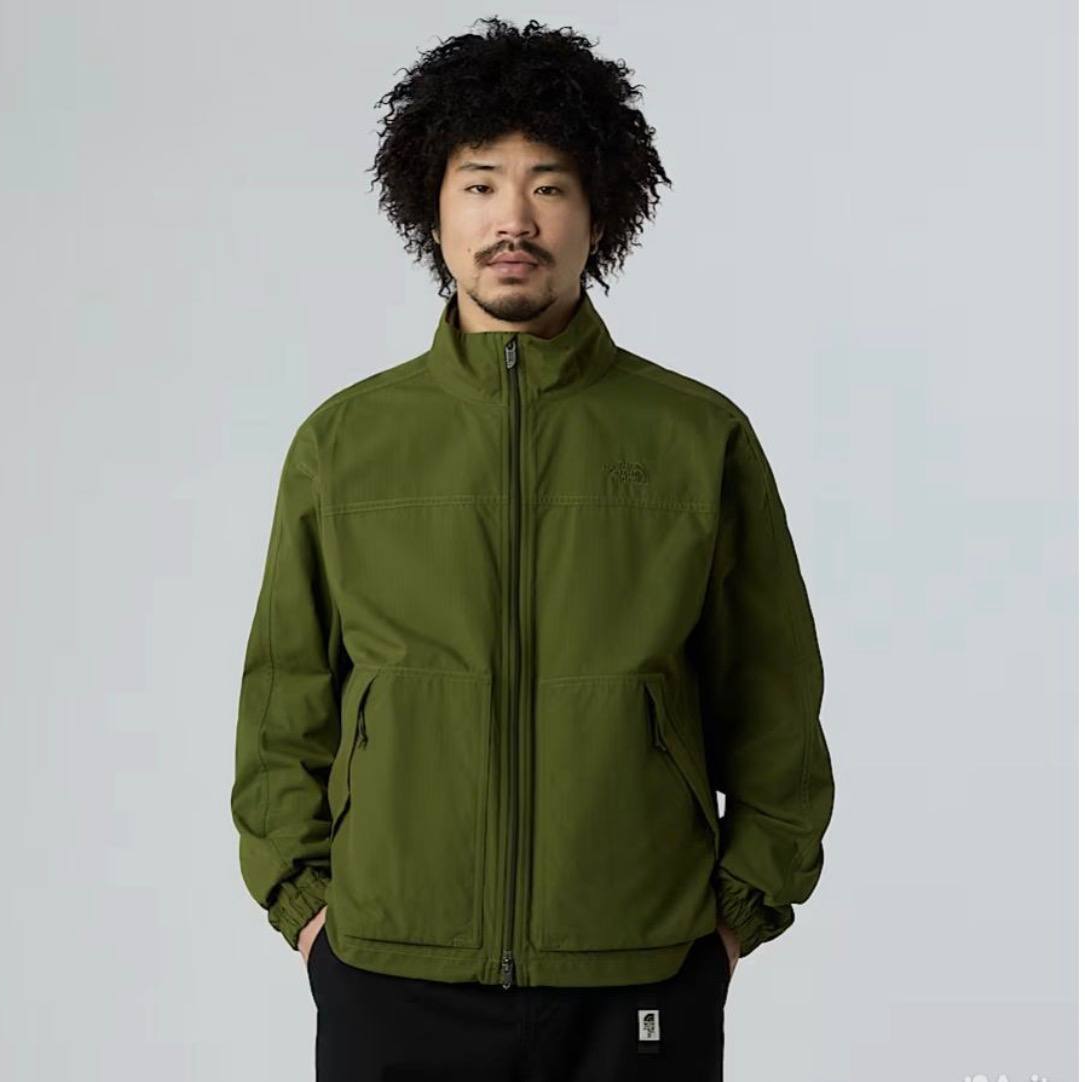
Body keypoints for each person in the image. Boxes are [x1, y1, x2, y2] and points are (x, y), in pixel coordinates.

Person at [230, 16, 835, 1081]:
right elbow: (285, 705)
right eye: (480, 183)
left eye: (549, 185)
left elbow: (773, 701)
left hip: (640, 964)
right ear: (432, 206)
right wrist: (310, 910)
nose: (514, 217)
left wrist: (733, 918)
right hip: (391, 969)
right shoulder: (345, 443)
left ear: (600, 210)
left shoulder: (696, 438)